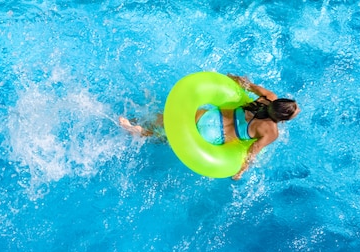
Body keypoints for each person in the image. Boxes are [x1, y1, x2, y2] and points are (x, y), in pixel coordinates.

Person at [119, 73, 301, 180]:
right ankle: (143, 133)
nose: (298, 110)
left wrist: (230, 78)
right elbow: (253, 151)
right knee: (170, 140)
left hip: (209, 117)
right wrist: (241, 170)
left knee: (169, 121)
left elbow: (244, 82)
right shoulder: (271, 132)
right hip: (213, 135)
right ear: (283, 119)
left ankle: (136, 119)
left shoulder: (268, 96)